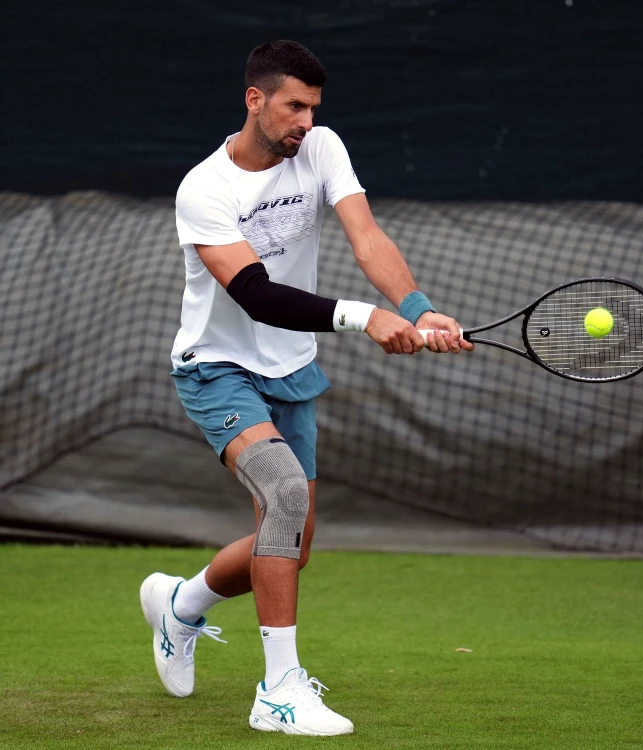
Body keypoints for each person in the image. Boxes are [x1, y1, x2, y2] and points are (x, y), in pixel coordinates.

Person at [140, 39, 472, 736]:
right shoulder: (205, 189)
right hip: (217, 369)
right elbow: (257, 294)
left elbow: (366, 236)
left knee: (291, 538)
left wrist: (415, 309)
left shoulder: (321, 148)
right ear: (254, 100)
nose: (306, 121)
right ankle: (278, 691)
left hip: (292, 371)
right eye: (294, 106)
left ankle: (181, 605)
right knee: (286, 497)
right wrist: (364, 317)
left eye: (315, 107)